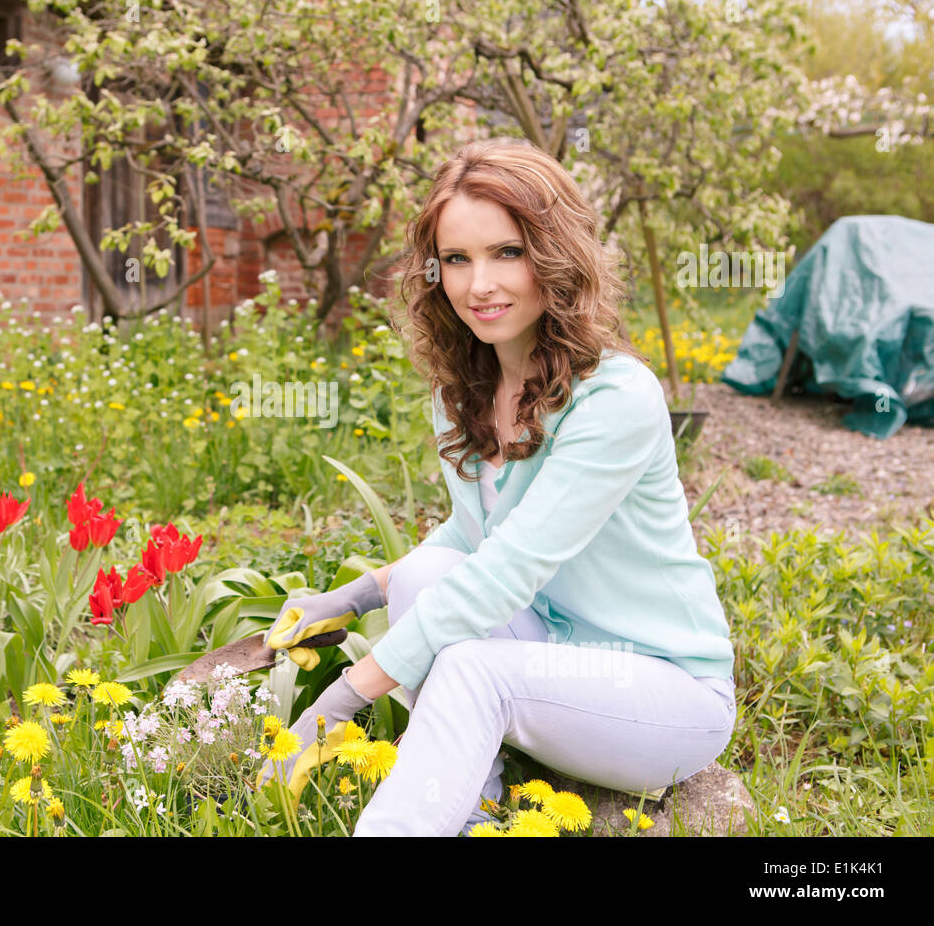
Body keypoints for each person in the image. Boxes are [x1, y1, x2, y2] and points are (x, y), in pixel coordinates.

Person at [257, 138, 738, 836]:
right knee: (427, 573)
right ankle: (475, 807)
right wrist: (353, 597)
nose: (479, 284)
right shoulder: (468, 394)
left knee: (477, 671)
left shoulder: (616, 398)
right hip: (555, 656)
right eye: (457, 259)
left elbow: (508, 573)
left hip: (666, 694)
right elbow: (471, 538)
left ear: (555, 256)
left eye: (506, 252)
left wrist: (338, 701)